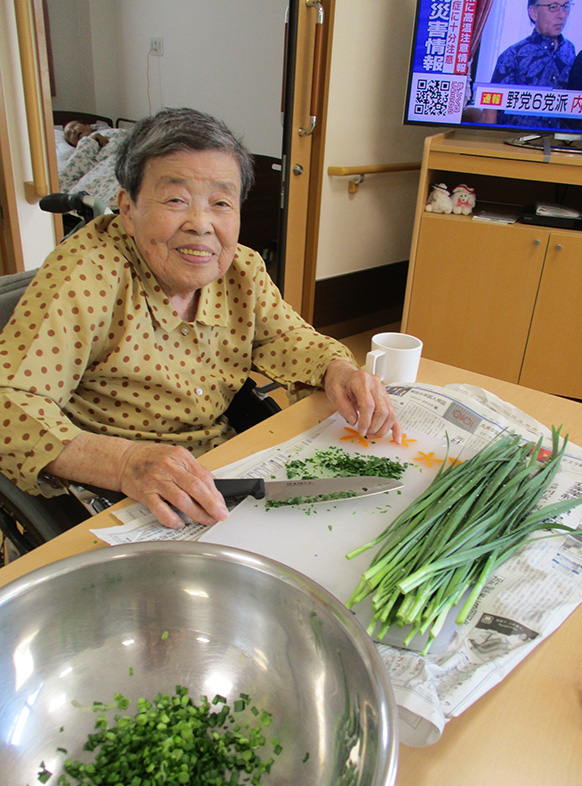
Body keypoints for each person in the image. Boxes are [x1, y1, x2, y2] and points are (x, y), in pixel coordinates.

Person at [0, 108, 401, 530]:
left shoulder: (241, 269)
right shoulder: (86, 274)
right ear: (127, 207)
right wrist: (122, 463)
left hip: (220, 469)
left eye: (221, 203)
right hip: (118, 495)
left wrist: (336, 368)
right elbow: (8, 402)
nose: (201, 224)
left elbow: (288, 338)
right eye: (176, 200)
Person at [483, 1, 575, 128]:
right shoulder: (514, 55)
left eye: (566, 7)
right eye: (553, 8)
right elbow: (491, 105)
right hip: (516, 139)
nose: (562, 15)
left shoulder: (569, 50)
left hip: (555, 139)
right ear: (534, 12)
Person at [59, 120, 129, 210]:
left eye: (74, 126)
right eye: (69, 134)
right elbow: (67, 176)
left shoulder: (114, 132)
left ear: (88, 126)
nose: (73, 131)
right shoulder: (84, 146)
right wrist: (90, 140)